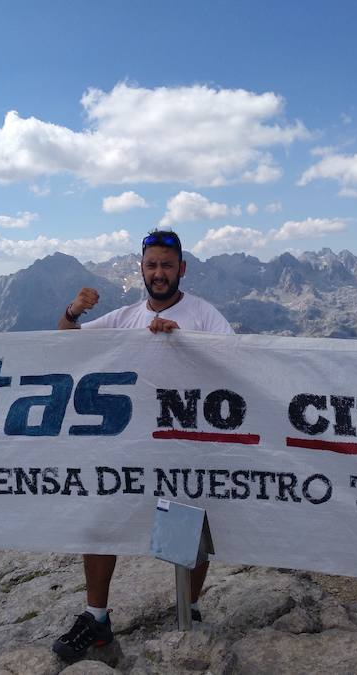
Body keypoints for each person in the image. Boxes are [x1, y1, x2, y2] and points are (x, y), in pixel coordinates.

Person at [52, 229, 234, 662]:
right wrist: (72, 311)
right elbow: (63, 342)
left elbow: (237, 363)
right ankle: (96, 621)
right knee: (101, 520)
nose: (158, 273)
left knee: (186, 530)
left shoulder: (205, 316)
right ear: (142, 270)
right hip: (131, 445)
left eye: (166, 265)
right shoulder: (125, 317)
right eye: (151, 265)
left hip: (186, 444)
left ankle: (186, 613)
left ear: (181, 270)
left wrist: (185, 345)